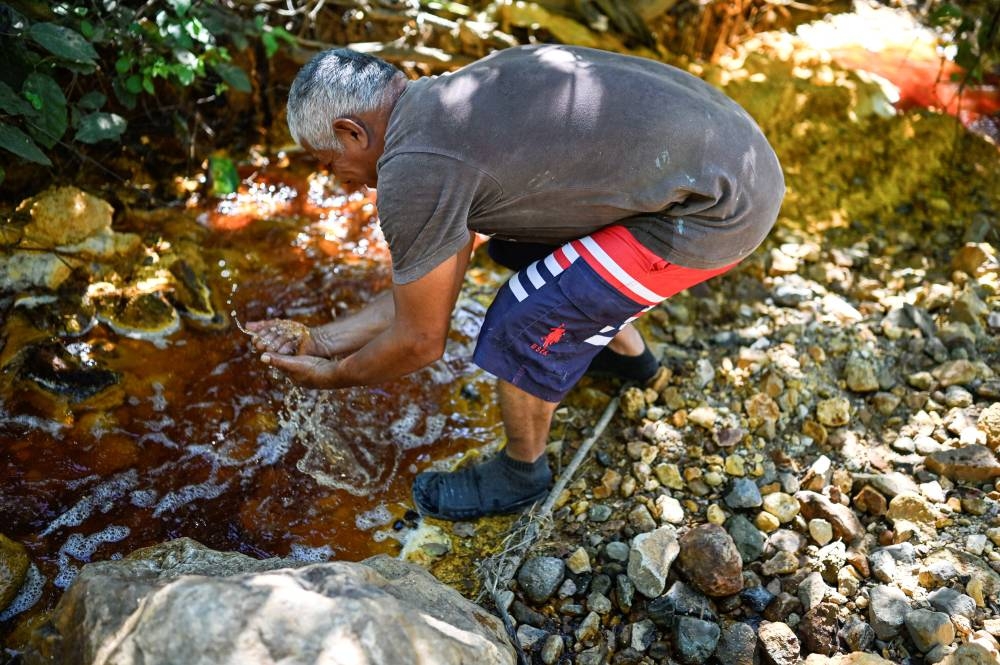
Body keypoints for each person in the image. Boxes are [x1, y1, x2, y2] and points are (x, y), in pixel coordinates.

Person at [248, 44, 785, 521]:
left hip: (717, 216)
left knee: (524, 317)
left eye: (326, 162)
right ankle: (628, 362)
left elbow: (420, 340)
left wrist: (330, 376)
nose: (334, 181)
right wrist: (318, 341)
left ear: (351, 132)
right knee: (513, 242)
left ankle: (521, 473)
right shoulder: (459, 93)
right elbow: (428, 291)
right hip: (740, 160)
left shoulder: (414, 170)